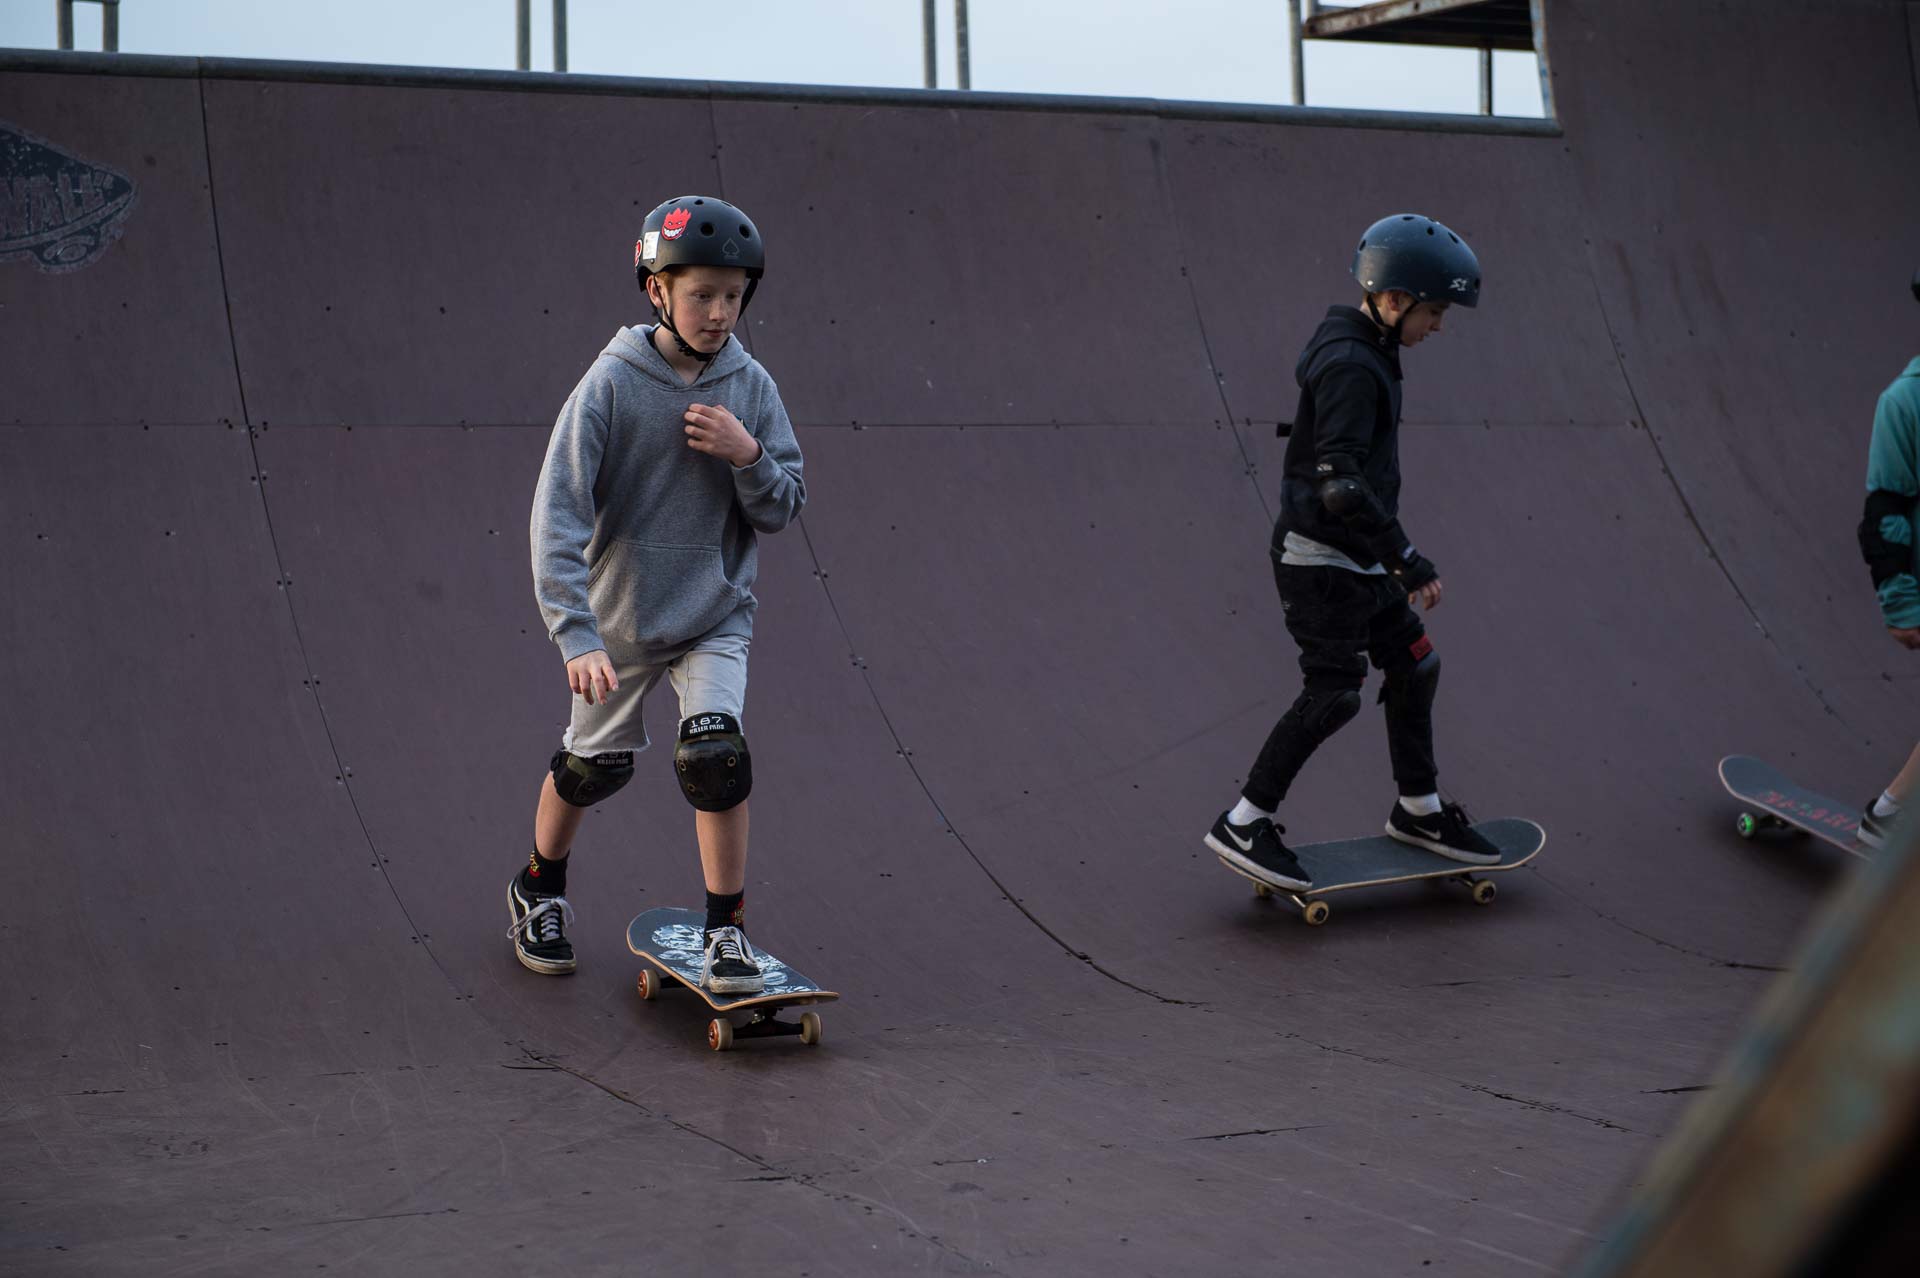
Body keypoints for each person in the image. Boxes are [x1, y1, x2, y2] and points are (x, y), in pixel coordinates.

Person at [509, 195, 805, 990]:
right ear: (656, 291)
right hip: (622, 622)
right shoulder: (610, 385)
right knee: (591, 768)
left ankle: (726, 930)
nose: (718, 313)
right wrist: (575, 633)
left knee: (717, 758)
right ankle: (540, 885)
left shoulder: (753, 387)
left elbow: (783, 507)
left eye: (733, 297)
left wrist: (748, 456)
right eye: (701, 294)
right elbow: (556, 513)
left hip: (714, 612)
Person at [1205, 214, 1499, 891]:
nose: (1440, 325)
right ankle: (1245, 821)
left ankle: (1419, 810)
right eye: (1434, 311)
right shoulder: (1350, 365)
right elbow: (1339, 484)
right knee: (1335, 693)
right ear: (1393, 301)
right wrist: (1406, 558)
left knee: (1415, 665)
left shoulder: (1367, 347)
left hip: (1357, 559)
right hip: (1321, 561)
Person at [1853, 269, 1920, 850]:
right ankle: (1886, 818)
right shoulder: (1903, 402)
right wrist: (1899, 601)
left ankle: (1889, 815)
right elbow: (1885, 508)